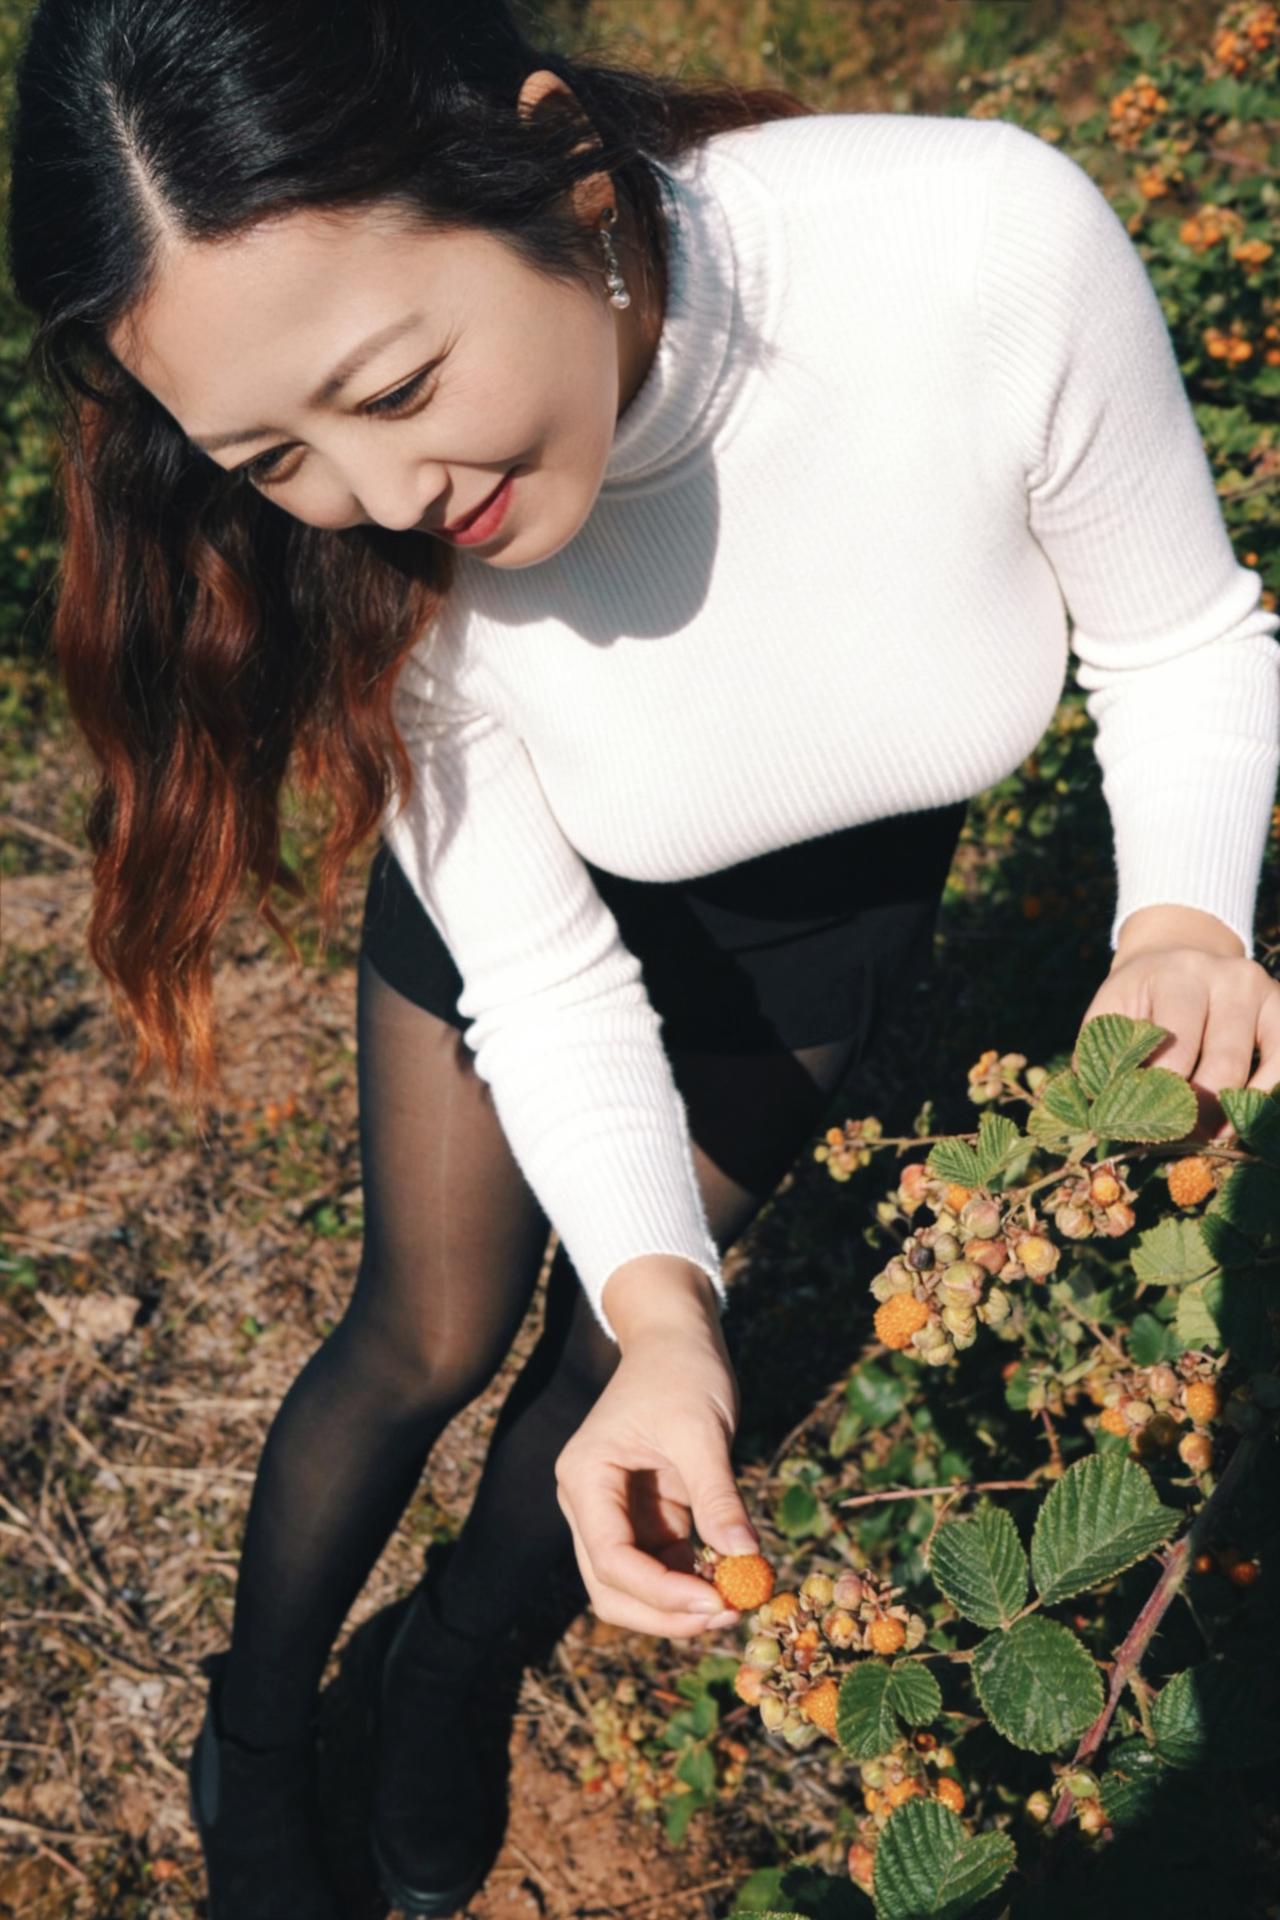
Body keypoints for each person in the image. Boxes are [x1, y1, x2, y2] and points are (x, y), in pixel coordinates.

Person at [9, 1, 1280, 1915]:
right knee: (424, 1341)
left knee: (622, 1367)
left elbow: (1182, 641)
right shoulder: (375, 563)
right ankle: (256, 1732)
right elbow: (548, 980)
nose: (379, 496)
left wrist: (1181, 907)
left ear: (563, 171)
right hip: (522, 932)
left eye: (401, 379)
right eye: (273, 453)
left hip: (814, 935)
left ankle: (450, 1680)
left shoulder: (977, 249)